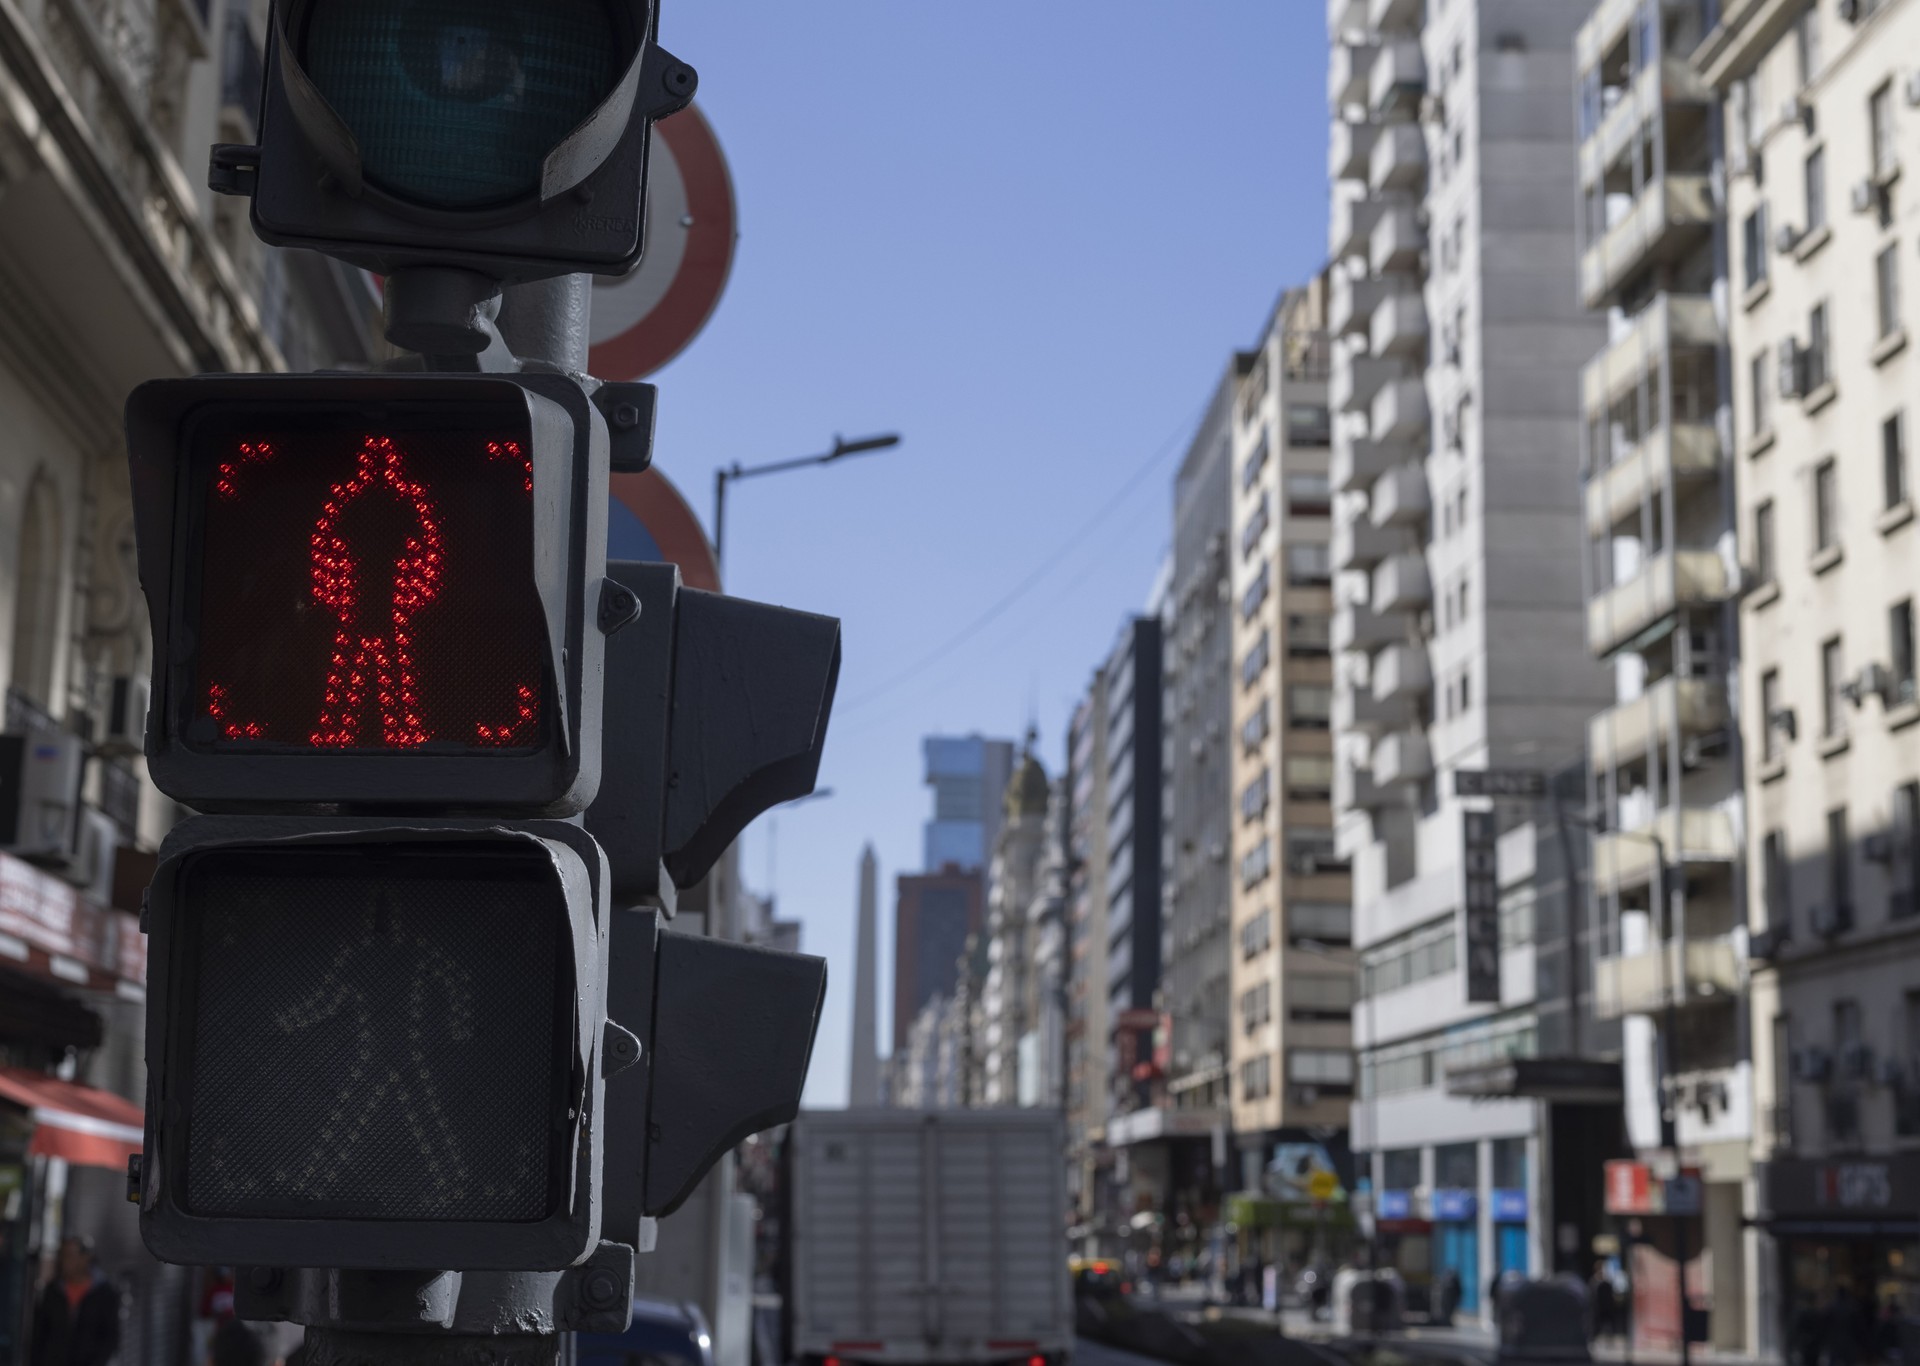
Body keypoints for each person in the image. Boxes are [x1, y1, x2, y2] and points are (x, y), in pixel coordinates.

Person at [28, 1236, 120, 1366]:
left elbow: (110, 1337)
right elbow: (39, 1334)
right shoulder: (53, 1291)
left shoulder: (104, 1294)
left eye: (70, 1256)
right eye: (62, 1256)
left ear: (85, 1258)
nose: (65, 1261)